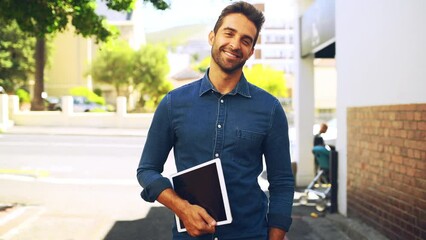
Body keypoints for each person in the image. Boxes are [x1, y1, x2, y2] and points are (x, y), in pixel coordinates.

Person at [137, 1, 294, 239]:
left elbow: (281, 182)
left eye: (246, 40)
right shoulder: (173, 103)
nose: (235, 44)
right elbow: (147, 170)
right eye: (229, 33)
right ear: (212, 36)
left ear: (251, 51)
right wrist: (183, 208)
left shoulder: (269, 109)